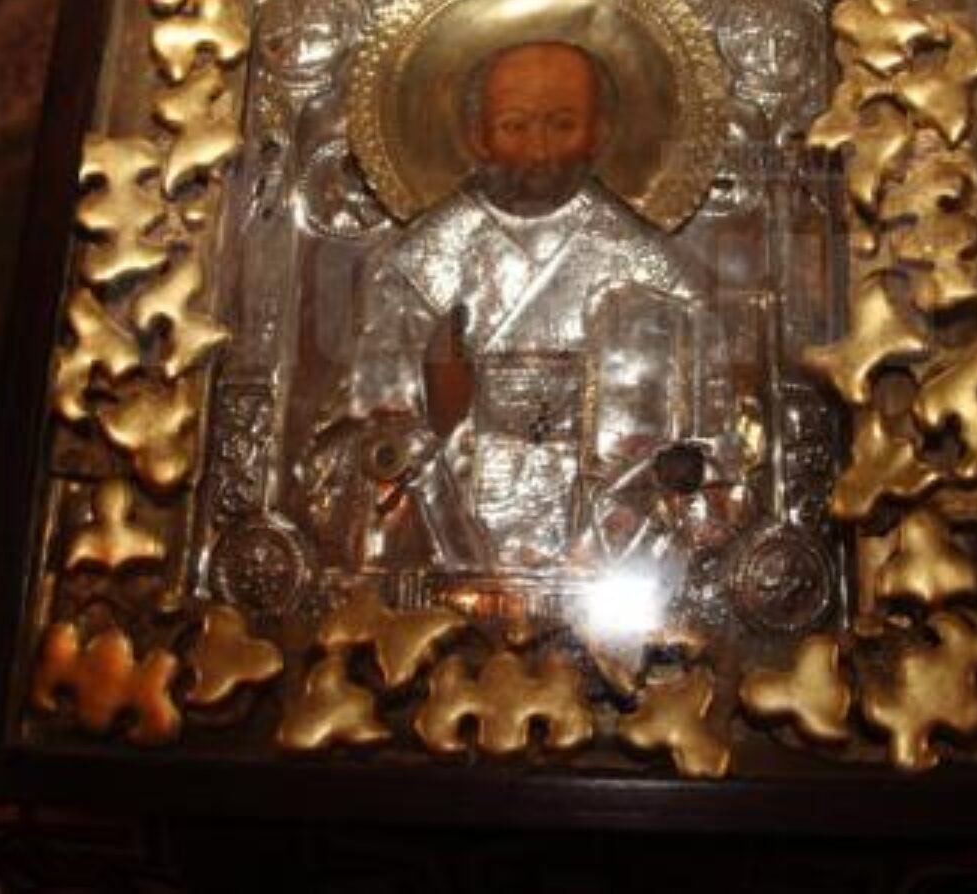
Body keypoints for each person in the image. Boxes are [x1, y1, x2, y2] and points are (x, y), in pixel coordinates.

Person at [305, 40, 720, 571]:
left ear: (600, 132)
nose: (540, 151)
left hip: (608, 558)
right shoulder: (417, 267)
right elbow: (361, 442)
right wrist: (421, 443)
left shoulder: (654, 273)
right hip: (452, 543)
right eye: (515, 126)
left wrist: (660, 485)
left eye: (563, 124)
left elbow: (711, 455)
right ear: (477, 136)